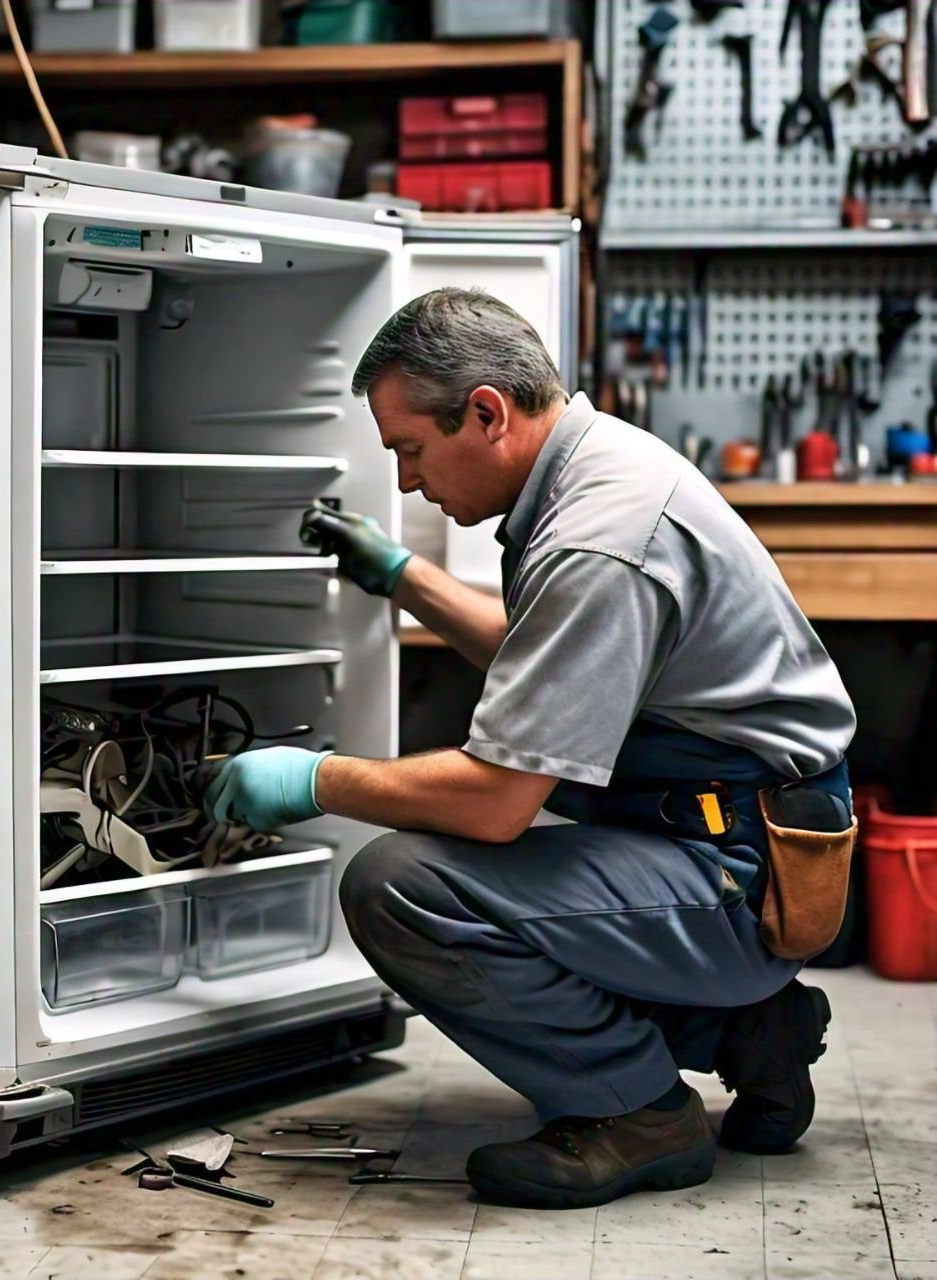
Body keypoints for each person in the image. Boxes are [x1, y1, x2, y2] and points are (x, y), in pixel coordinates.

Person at [204, 287, 857, 1210]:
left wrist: (315, 779)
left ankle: (637, 1113)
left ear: (485, 413)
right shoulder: (598, 466)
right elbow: (555, 652)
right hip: (720, 832)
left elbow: (496, 801)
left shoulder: (602, 536)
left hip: (735, 872)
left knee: (401, 883)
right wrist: (404, 578)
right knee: (485, 871)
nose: (404, 482)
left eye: (410, 451)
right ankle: (749, 1033)